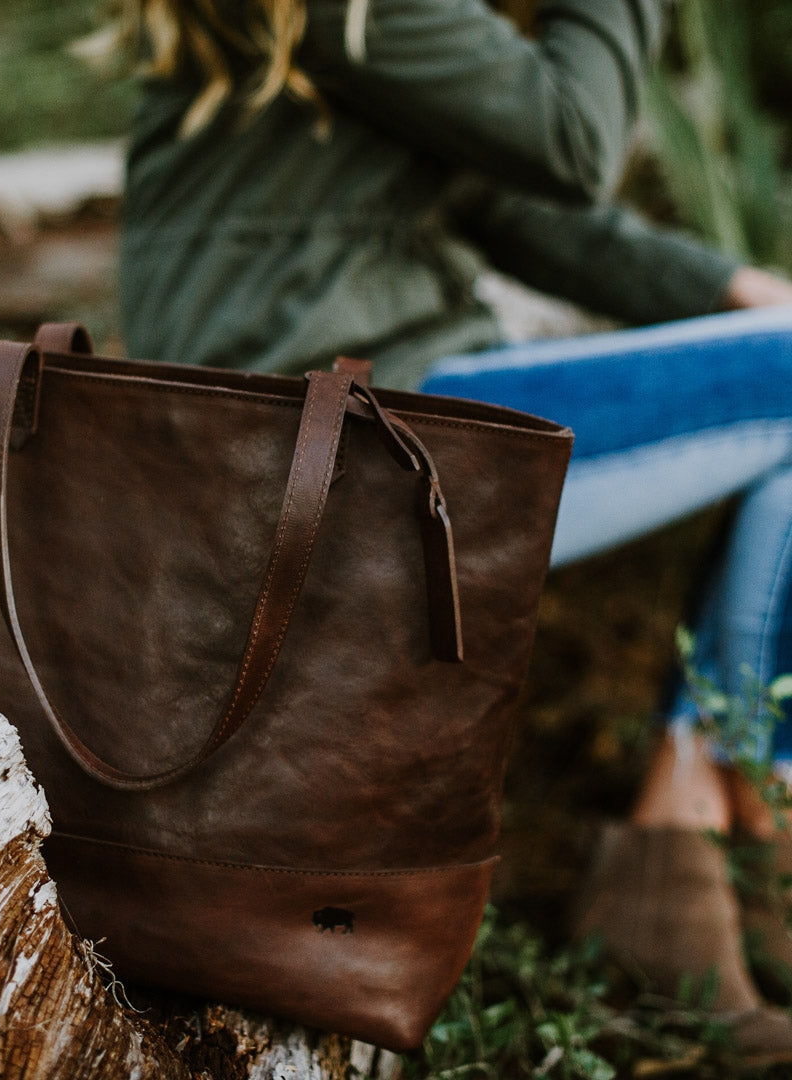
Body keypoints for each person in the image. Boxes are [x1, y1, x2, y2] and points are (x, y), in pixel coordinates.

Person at [117, 0, 792, 1060]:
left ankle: (704, 839)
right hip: (358, 446)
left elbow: (529, 210)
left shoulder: (333, 35)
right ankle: (698, 828)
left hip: (329, 431)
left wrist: (744, 294)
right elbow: (569, 143)